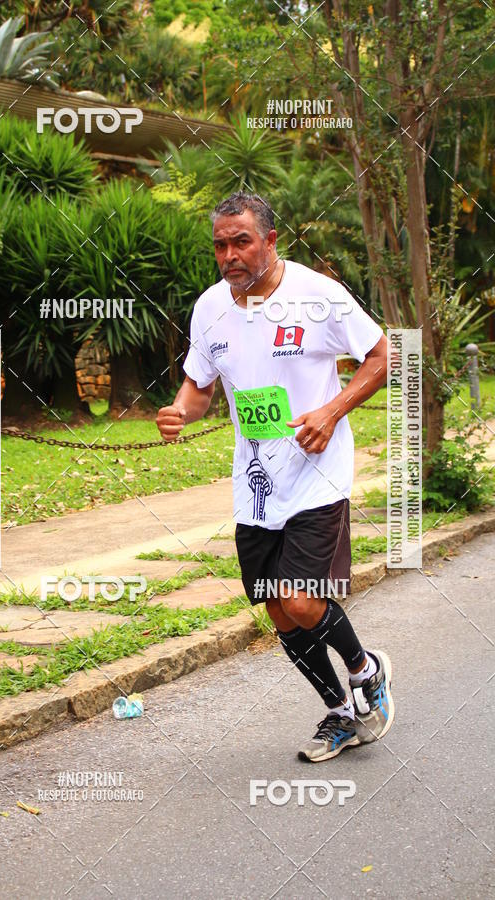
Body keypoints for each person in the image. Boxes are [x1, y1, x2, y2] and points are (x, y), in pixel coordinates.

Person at [156, 191, 394, 762]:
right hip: (257, 481)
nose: (230, 254)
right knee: (276, 608)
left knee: (304, 601)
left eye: (241, 241)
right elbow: (200, 384)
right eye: (220, 245)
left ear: (270, 241)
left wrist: (332, 411)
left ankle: (366, 671)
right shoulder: (210, 307)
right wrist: (180, 410)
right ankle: (338, 711)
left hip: (318, 471)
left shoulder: (318, 295)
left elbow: (384, 356)